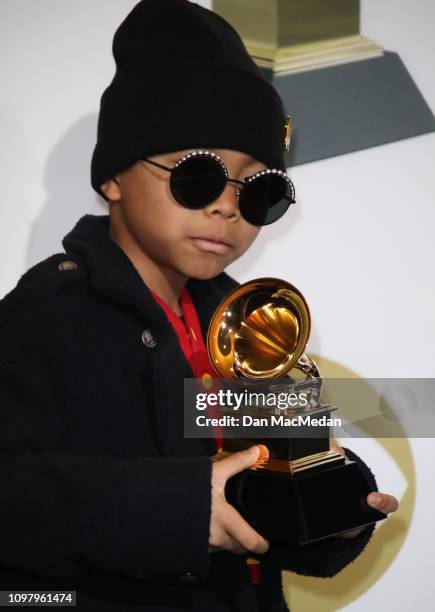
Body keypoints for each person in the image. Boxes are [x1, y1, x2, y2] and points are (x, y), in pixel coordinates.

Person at [0, 1, 398, 610]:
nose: (226, 208)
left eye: (259, 189)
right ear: (113, 178)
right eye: (197, 177)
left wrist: (334, 511)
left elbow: (262, 490)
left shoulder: (249, 324)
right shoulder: (45, 314)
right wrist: (173, 510)